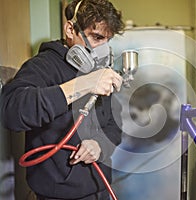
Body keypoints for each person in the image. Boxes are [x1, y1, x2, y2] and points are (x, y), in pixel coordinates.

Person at [0, 0, 125, 199]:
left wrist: (99, 145)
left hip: (101, 188)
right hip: (58, 194)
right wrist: (82, 85)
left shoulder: (99, 70)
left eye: (107, 41)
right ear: (70, 29)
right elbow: (11, 111)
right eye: (97, 37)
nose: (103, 50)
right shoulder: (42, 66)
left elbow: (115, 125)